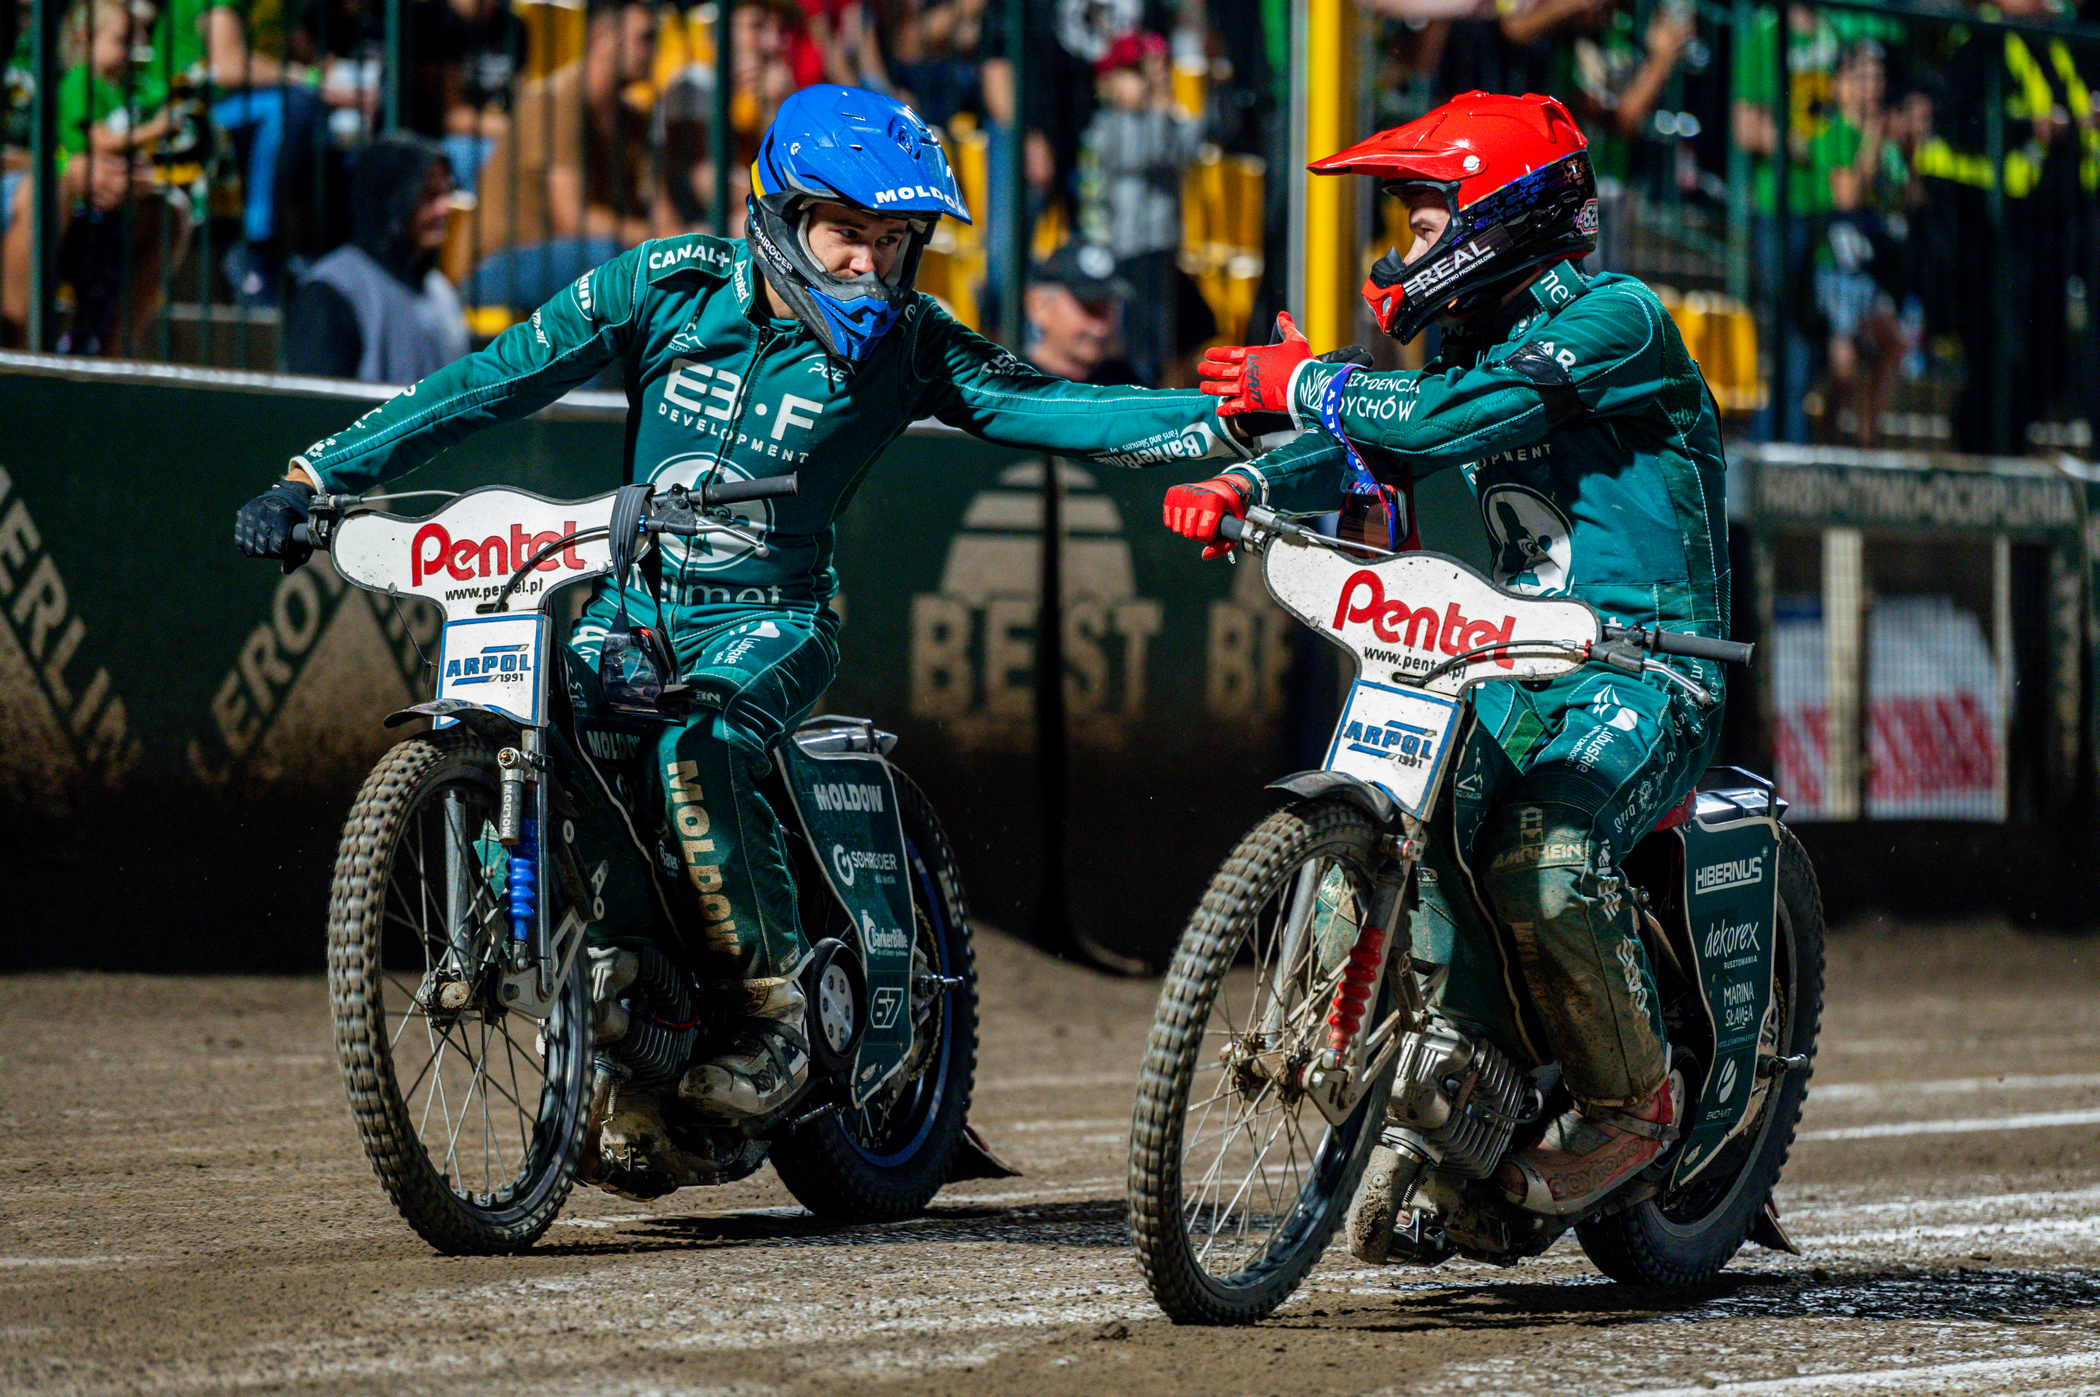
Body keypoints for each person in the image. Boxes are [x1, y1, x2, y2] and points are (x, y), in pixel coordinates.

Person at [232, 83, 1254, 1194]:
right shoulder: (663, 282)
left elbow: (1059, 409)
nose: (870, 263)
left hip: (773, 619)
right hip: (628, 611)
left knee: (696, 744)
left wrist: (1233, 418)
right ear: (778, 214)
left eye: (895, 241)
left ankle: (776, 1016)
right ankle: (633, 1003)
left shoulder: (912, 343)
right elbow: (492, 376)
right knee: (540, 724)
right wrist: (318, 475)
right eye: (847, 232)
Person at [1164, 91, 1731, 1218]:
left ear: (1497, 218)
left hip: (1644, 666)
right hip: (1507, 661)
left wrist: (1308, 381)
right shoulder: (1467, 346)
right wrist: (1248, 481)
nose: (1403, 252)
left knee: (1544, 855)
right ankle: (1464, 1072)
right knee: (1405, 829)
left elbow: (1437, 419)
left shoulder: (1617, 318)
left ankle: (1638, 1106)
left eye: (1424, 224)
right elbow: (1382, 447)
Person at [462, 0, 671, 309]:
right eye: (645, 38)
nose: (655, 51)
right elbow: (572, 220)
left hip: (570, 257)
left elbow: (648, 207)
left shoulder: (634, 119)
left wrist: (675, 234)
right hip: (498, 265)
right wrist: (659, 237)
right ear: (600, 37)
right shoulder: (555, 103)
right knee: (613, 259)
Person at [1077, 29, 1212, 386]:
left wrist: (1165, 98)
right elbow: (1145, 154)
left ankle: (1165, 386)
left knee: (1187, 326)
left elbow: (1188, 148)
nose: (1144, 82)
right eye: (1135, 73)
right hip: (1127, 246)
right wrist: (1158, 104)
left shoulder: (1157, 116)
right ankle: (1144, 389)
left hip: (1160, 243)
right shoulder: (1109, 122)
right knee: (1143, 336)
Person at [280, 133, 469, 383]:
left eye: (445, 193)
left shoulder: (442, 293)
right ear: (389, 199)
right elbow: (314, 403)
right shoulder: (333, 291)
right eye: (427, 194)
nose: (443, 208)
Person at [1023, 241, 1140, 384]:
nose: (1100, 330)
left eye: (1108, 310)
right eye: (1089, 309)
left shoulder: (1129, 387)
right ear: (1040, 306)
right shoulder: (1012, 388)